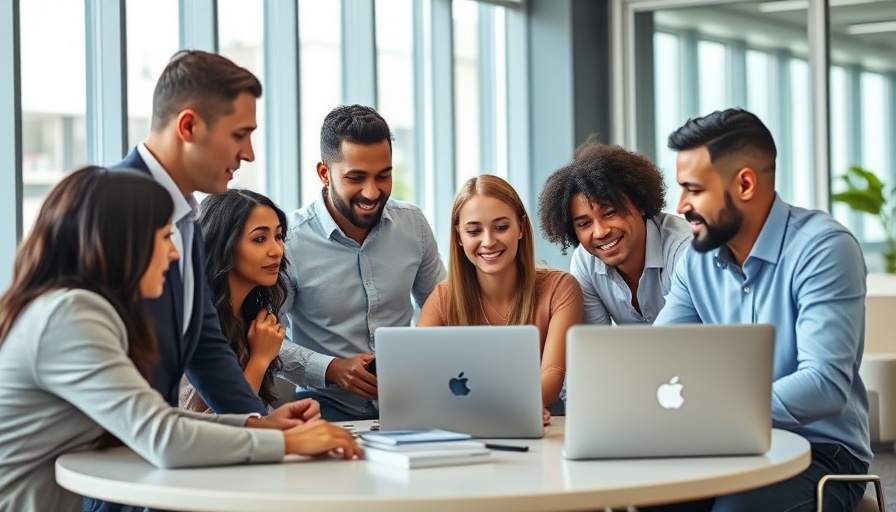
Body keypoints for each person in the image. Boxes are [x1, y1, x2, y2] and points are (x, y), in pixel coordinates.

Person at [0, 167, 361, 512]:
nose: (175, 254)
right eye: (163, 239)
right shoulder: (70, 314)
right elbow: (163, 436)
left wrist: (257, 425)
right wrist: (284, 441)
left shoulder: (75, 308)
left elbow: (161, 419)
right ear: (120, 243)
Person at [648, 108, 871, 512]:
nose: (681, 206)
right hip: (725, 444)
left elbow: (824, 384)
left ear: (745, 184)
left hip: (822, 453)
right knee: (651, 499)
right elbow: (659, 356)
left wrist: (717, 416)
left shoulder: (823, 248)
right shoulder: (698, 259)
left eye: (693, 189)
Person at [112, 50, 270, 415]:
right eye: (239, 135)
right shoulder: (109, 205)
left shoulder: (187, 223)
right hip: (94, 451)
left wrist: (262, 425)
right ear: (188, 127)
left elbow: (204, 346)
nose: (248, 154)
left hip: (149, 445)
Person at [278, 104, 447, 421]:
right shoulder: (287, 242)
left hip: (411, 398)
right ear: (324, 173)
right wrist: (331, 369)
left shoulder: (414, 226)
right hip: (325, 404)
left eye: (383, 176)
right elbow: (268, 340)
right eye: (356, 178)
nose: (372, 192)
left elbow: (444, 307)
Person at [417, 175, 583, 423]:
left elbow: (552, 375)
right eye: (474, 231)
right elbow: (418, 375)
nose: (488, 241)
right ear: (460, 237)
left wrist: (504, 407)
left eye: (501, 227)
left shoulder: (560, 289)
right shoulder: (443, 298)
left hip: (542, 426)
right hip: (464, 426)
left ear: (521, 228)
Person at [538, 139, 691, 325]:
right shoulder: (585, 263)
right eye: (584, 224)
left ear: (640, 204)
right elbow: (596, 344)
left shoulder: (684, 250)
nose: (600, 232)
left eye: (610, 213)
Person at [180, 190, 289, 412]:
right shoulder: (196, 320)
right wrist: (259, 360)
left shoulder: (250, 316)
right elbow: (215, 430)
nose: (277, 250)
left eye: (278, 236)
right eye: (260, 239)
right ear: (224, 244)